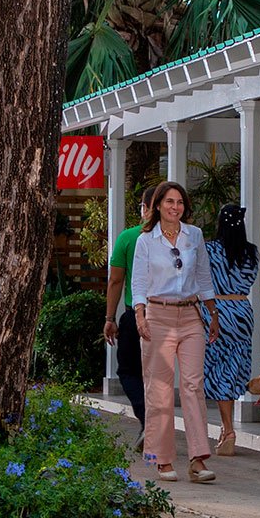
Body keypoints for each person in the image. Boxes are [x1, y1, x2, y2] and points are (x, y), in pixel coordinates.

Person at [128, 180, 221, 484]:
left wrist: (213, 313)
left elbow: (204, 276)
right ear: (157, 205)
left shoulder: (194, 236)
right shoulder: (146, 240)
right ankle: (161, 459)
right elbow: (139, 282)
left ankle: (198, 458)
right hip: (158, 315)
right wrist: (139, 314)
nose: (175, 207)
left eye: (179, 202)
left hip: (191, 314)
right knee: (161, 389)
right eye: (169, 202)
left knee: (193, 385)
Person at [103, 186, 157, 447]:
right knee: (160, 375)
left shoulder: (128, 237)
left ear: (145, 208)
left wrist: (109, 317)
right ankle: (156, 426)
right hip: (172, 317)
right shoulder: (178, 237)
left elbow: (115, 280)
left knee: (128, 370)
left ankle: (147, 419)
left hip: (136, 315)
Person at [202, 203, 259, 456]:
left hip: (218, 312)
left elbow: (201, 279)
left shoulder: (210, 249)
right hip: (242, 310)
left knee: (218, 369)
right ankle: (227, 427)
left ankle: (227, 428)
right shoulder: (252, 252)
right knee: (234, 366)